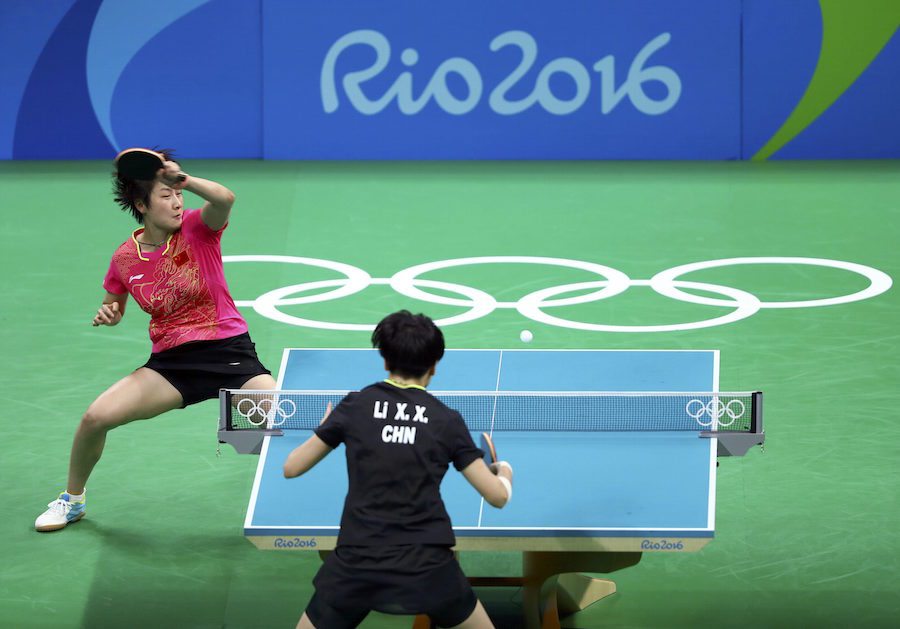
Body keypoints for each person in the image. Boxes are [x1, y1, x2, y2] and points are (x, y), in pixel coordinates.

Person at [35, 149, 277, 532]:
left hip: (229, 353)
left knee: (285, 422)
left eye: (178, 194)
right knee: (95, 418)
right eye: (166, 196)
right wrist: (109, 314)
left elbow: (225, 198)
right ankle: (72, 500)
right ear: (140, 204)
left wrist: (185, 179)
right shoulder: (124, 259)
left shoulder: (199, 230)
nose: (178, 203)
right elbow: (113, 304)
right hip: (171, 365)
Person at [283, 310, 514, 629]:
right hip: (427, 567)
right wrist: (504, 474)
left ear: (385, 361)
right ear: (434, 364)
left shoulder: (354, 406)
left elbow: (291, 468)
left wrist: (324, 429)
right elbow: (497, 498)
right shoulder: (446, 421)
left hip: (358, 563)